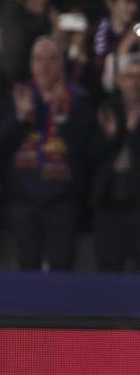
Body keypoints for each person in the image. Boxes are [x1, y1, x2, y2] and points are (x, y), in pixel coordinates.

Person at [0, 36, 94, 270]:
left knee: (61, 265)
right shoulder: (17, 95)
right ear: (31, 64)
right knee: (27, 265)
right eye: (39, 59)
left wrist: (62, 119)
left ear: (62, 64)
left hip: (63, 199)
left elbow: (87, 150)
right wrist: (20, 118)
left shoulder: (79, 99)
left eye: (52, 59)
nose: (45, 66)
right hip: (24, 198)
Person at [91, 55, 140, 271]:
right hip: (109, 196)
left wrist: (130, 132)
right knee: (108, 265)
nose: (136, 83)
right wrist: (112, 137)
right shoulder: (107, 109)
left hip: (137, 199)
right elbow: (90, 155)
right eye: (130, 77)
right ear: (119, 81)